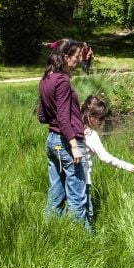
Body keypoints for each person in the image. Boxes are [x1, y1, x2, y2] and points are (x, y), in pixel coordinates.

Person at [37, 38, 90, 231]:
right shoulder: (62, 81)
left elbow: (42, 116)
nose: (78, 60)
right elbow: (62, 117)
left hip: (53, 142)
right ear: (66, 57)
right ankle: (80, 240)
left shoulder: (46, 79)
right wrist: (74, 145)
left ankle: (50, 233)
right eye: (76, 56)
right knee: (77, 196)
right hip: (67, 144)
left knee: (56, 193)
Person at [80, 95, 134, 222]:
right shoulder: (90, 134)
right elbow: (104, 157)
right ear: (92, 116)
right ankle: (87, 237)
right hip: (84, 179)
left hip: (70, 177)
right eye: (101, 118)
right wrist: (126, 166)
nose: (102, 121)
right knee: (86, 212)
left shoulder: (75, 127)